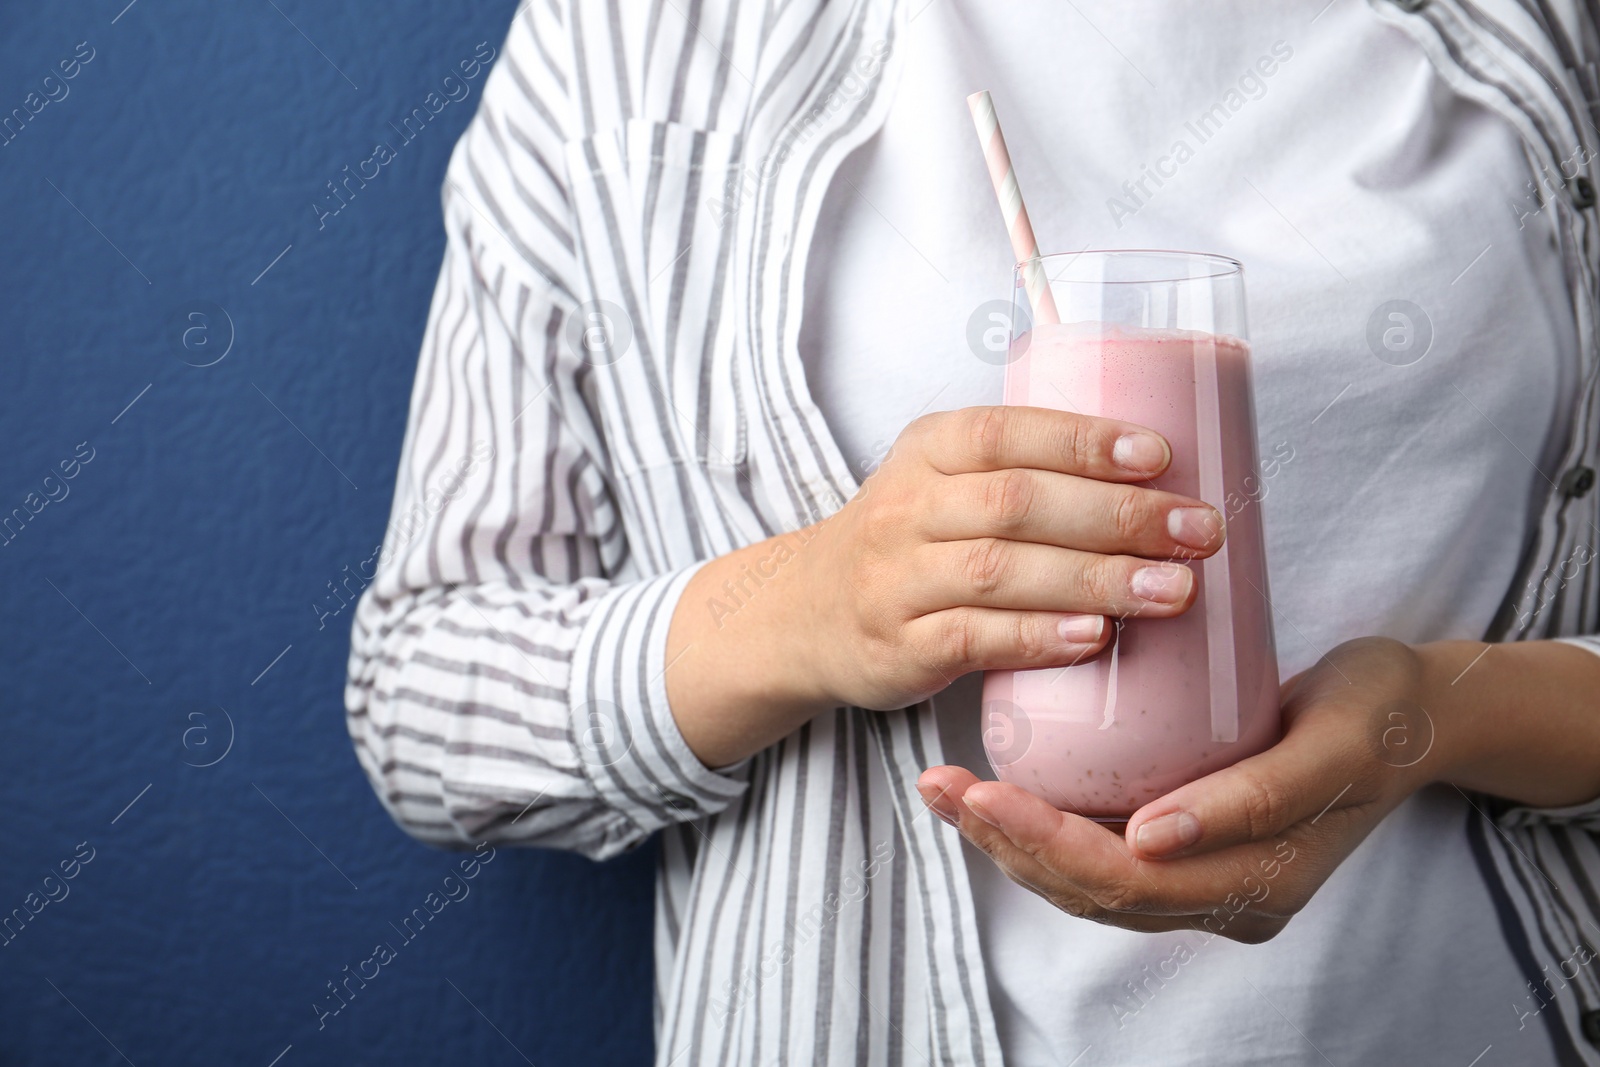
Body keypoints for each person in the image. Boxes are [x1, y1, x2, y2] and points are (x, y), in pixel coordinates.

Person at [346, 1, 1600, 1063]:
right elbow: (417, 695)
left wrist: (1438, 712)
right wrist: (801, 608)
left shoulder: (1542, 34)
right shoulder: (631, 37)